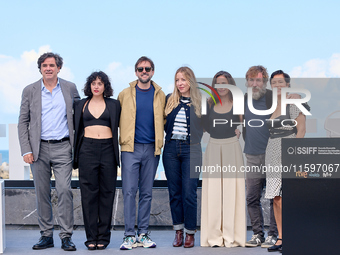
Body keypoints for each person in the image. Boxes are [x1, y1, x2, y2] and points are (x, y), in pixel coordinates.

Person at [18, 52, 79, 251]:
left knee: (63, 191)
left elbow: (79, 117)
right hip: (39, 148)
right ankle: (46, 235)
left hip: (63, 147)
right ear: (40, 68)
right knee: (42, 193)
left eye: (52, 65)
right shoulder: (30, 90)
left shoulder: (70, 88)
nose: (48, 68)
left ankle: (66, 236)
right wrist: (26, 149)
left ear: (59, 68)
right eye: (44, 65)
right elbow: (23, 122)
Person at [118, 56, 166, 250]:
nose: (144, 72)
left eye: (147, 69)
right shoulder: (124, 94)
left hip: (152, 149)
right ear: (135, 72)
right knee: (129, 192)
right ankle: (129, 235)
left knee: (146, 193)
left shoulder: (160, 94)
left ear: (152, 71)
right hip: (130, 149)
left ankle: (143, 234)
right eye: (140, 69)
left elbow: (165, 119)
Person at [73, 71, 120, 250]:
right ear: (89, 86)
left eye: (100, 83)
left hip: (108, 149)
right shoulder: (80, 105)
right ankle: (91, 237)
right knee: (88, 195)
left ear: (105, 86)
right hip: (87, 150)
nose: (96, 86)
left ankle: (104, 237)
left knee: (107, 193)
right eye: (93, 83)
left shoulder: (114, 104)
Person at [200, 71, 246, 247]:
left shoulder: (238, 105)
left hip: (232, 149)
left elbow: (244, 124)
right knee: (213, 193)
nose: (221, 86)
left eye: (224, 83)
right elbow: (203, 127)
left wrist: (239, 131)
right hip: (213, 148)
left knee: (232, 192)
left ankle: (231, 235)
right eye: (218, 83)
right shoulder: (208, 105)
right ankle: (214, 236)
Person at [265, 70, 306, 253]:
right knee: (276, 198)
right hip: (272, 151)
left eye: (281, 82)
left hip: (287, 152)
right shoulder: (271, 105)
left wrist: (292, 155)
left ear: (287, 85)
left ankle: (293, 237)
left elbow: (302, 130)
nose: (277, 85)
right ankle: (281, 237)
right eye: (274, 82)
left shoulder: (294, 101)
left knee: (287, 198)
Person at [163, 66, 203, 248]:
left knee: (189, 194)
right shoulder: (169, 100)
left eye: (184, 79)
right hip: (171, 149)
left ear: (191, 81)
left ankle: (190, 233)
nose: (180, 83)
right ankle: (178, 232)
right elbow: (161, 124)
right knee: (174, 193)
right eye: (178, 80)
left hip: (192, 150)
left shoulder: (200, 102)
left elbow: (211, 124)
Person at [243, 65, 279, 248]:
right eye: (251, 80)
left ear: (264, 82)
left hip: (272, 155)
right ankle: (258, 234)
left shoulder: (272, 97)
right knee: (251, 197)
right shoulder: (244, 99)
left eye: (258, 80)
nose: (255, 83)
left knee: (274, 197)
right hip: (252, 155)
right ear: (247, 82)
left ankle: (273, 234)